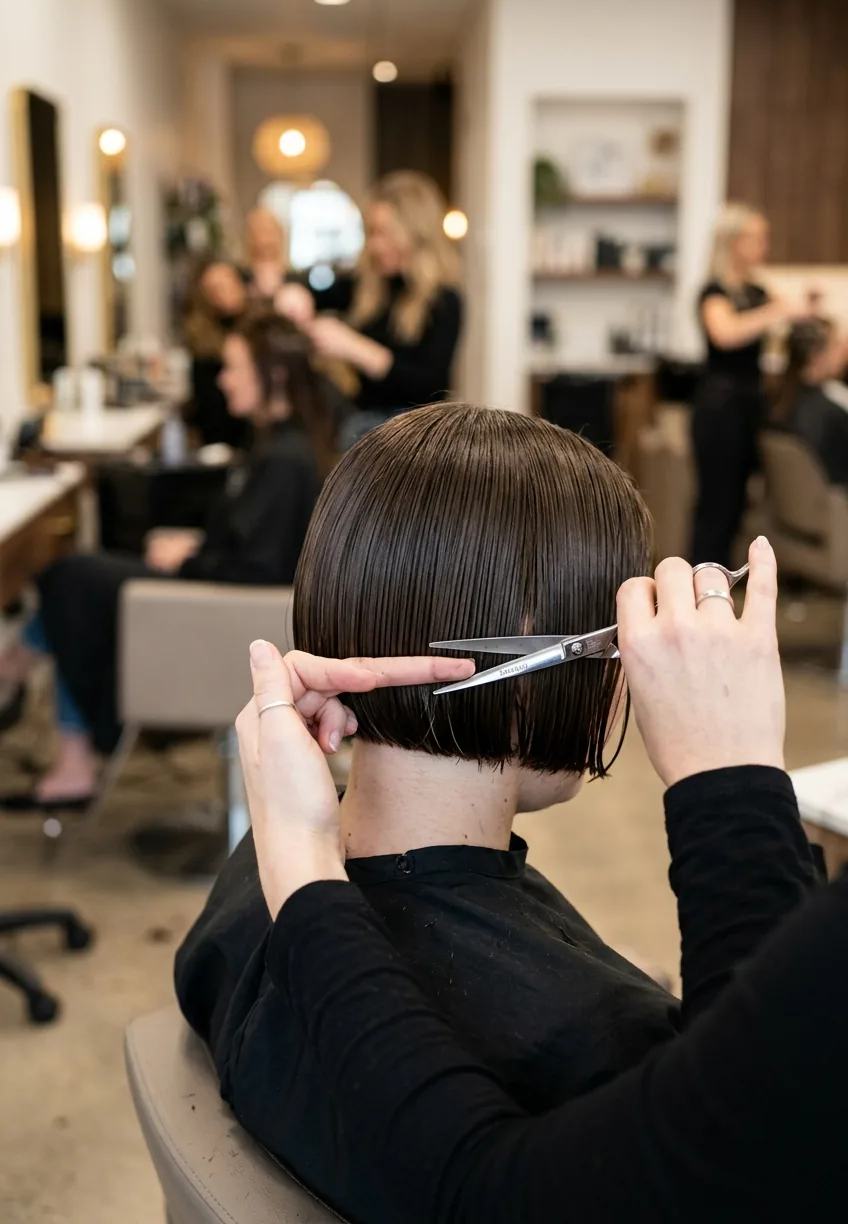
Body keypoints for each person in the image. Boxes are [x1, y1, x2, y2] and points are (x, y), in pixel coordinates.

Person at [176, 406, 821, 1222]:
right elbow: (785, 1132)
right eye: (617, 647)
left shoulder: (259, 873)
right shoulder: (597, 1053)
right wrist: (737, 780)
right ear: (524, 659)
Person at [0, 313, 332, 812]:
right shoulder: (284, 444)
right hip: (218, 603)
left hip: (223, 618)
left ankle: (17, 679)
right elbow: (256, 548)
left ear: (276, 375)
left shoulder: (286, 460)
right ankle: (27, 691)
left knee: (71, 579)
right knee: (75, 579)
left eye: (234, 367)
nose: (222, 379)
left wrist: (188, 561)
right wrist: (193, 546)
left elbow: (257, 570)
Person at [276, 171, 463, 446]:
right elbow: (313, 291)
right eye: (370, 233)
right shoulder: (367, 287)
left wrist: (354, 347)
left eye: (384, 233)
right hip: (366, 427)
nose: (374, 245)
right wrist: (294, 294)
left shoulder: (445, 300)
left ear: (415, 233)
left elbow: (429, 386)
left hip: (418, 439)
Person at [691, 204, 809, 567]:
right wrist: (777, 312)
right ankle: (700, 581)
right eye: (757, 238)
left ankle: (722, 583)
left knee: (738, 505)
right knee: (716, 505)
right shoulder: (715, 292)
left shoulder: (756, 290)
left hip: (748, 409)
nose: (763, 246)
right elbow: (725, 334)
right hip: (719, 410)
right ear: (734, 243)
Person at [770, 316, 848, 487]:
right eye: (835, 345)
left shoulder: (777, 401)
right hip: (832, 501)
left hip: (800, 503)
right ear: (816, 356)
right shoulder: (831, 413)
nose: (844, 351)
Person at [184, 259, 251, 449]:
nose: (223, 293)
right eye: (215, 289)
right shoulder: (201, 341)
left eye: (227, 285)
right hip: (217, 436)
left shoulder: (257, 330)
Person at [243, 207, 288, 300]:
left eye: (270, 232)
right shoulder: (243, 277)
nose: (265, 240)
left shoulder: (294, 276)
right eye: (260, 232)